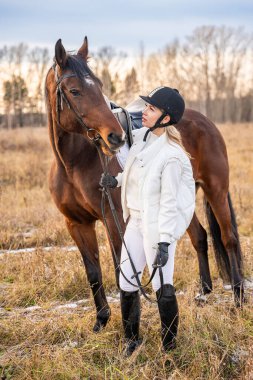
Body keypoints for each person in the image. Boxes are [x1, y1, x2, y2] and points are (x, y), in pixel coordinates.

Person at [100, 86, 195, 356]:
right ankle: (132, 341)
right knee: (127, 279)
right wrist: (115, 180)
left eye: (151, 108)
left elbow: (168, 205)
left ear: (166, 118)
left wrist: (164, 242)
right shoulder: (142, 140)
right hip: (136, 222)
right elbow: (138, 174)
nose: (144, 112)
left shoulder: (172, 157)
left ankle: (170, 347)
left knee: (162, 286)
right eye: (146, 106)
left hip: (157, 228)